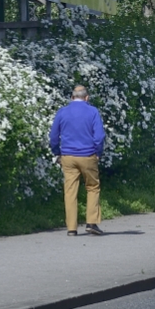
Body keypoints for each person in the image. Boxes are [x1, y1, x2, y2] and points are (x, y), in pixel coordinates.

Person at [49, 85, 107, 236]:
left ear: (72, 97)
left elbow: (53, 136)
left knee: (70, 191)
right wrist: (98, 152)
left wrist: (57, 153)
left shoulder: (62, 112)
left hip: (68, 156)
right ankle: (91, 223)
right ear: (87, 97)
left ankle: (71, 228)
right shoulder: (93, 111)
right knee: (92, 187)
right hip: (88, 155)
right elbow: (99, 136)